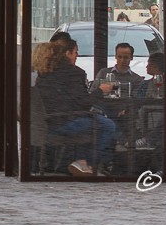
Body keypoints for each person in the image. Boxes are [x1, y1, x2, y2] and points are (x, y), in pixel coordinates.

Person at [37, 36, 116, 176]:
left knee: (94, 121)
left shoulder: (44, 72)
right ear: (67, 53)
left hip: (47, 123)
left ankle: (81, 161)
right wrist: (100, 91)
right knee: (108, 125)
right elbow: (83, 102)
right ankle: (87, 163)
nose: (77, 55)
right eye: (75, 52)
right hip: (66, 122)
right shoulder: (73, 72)